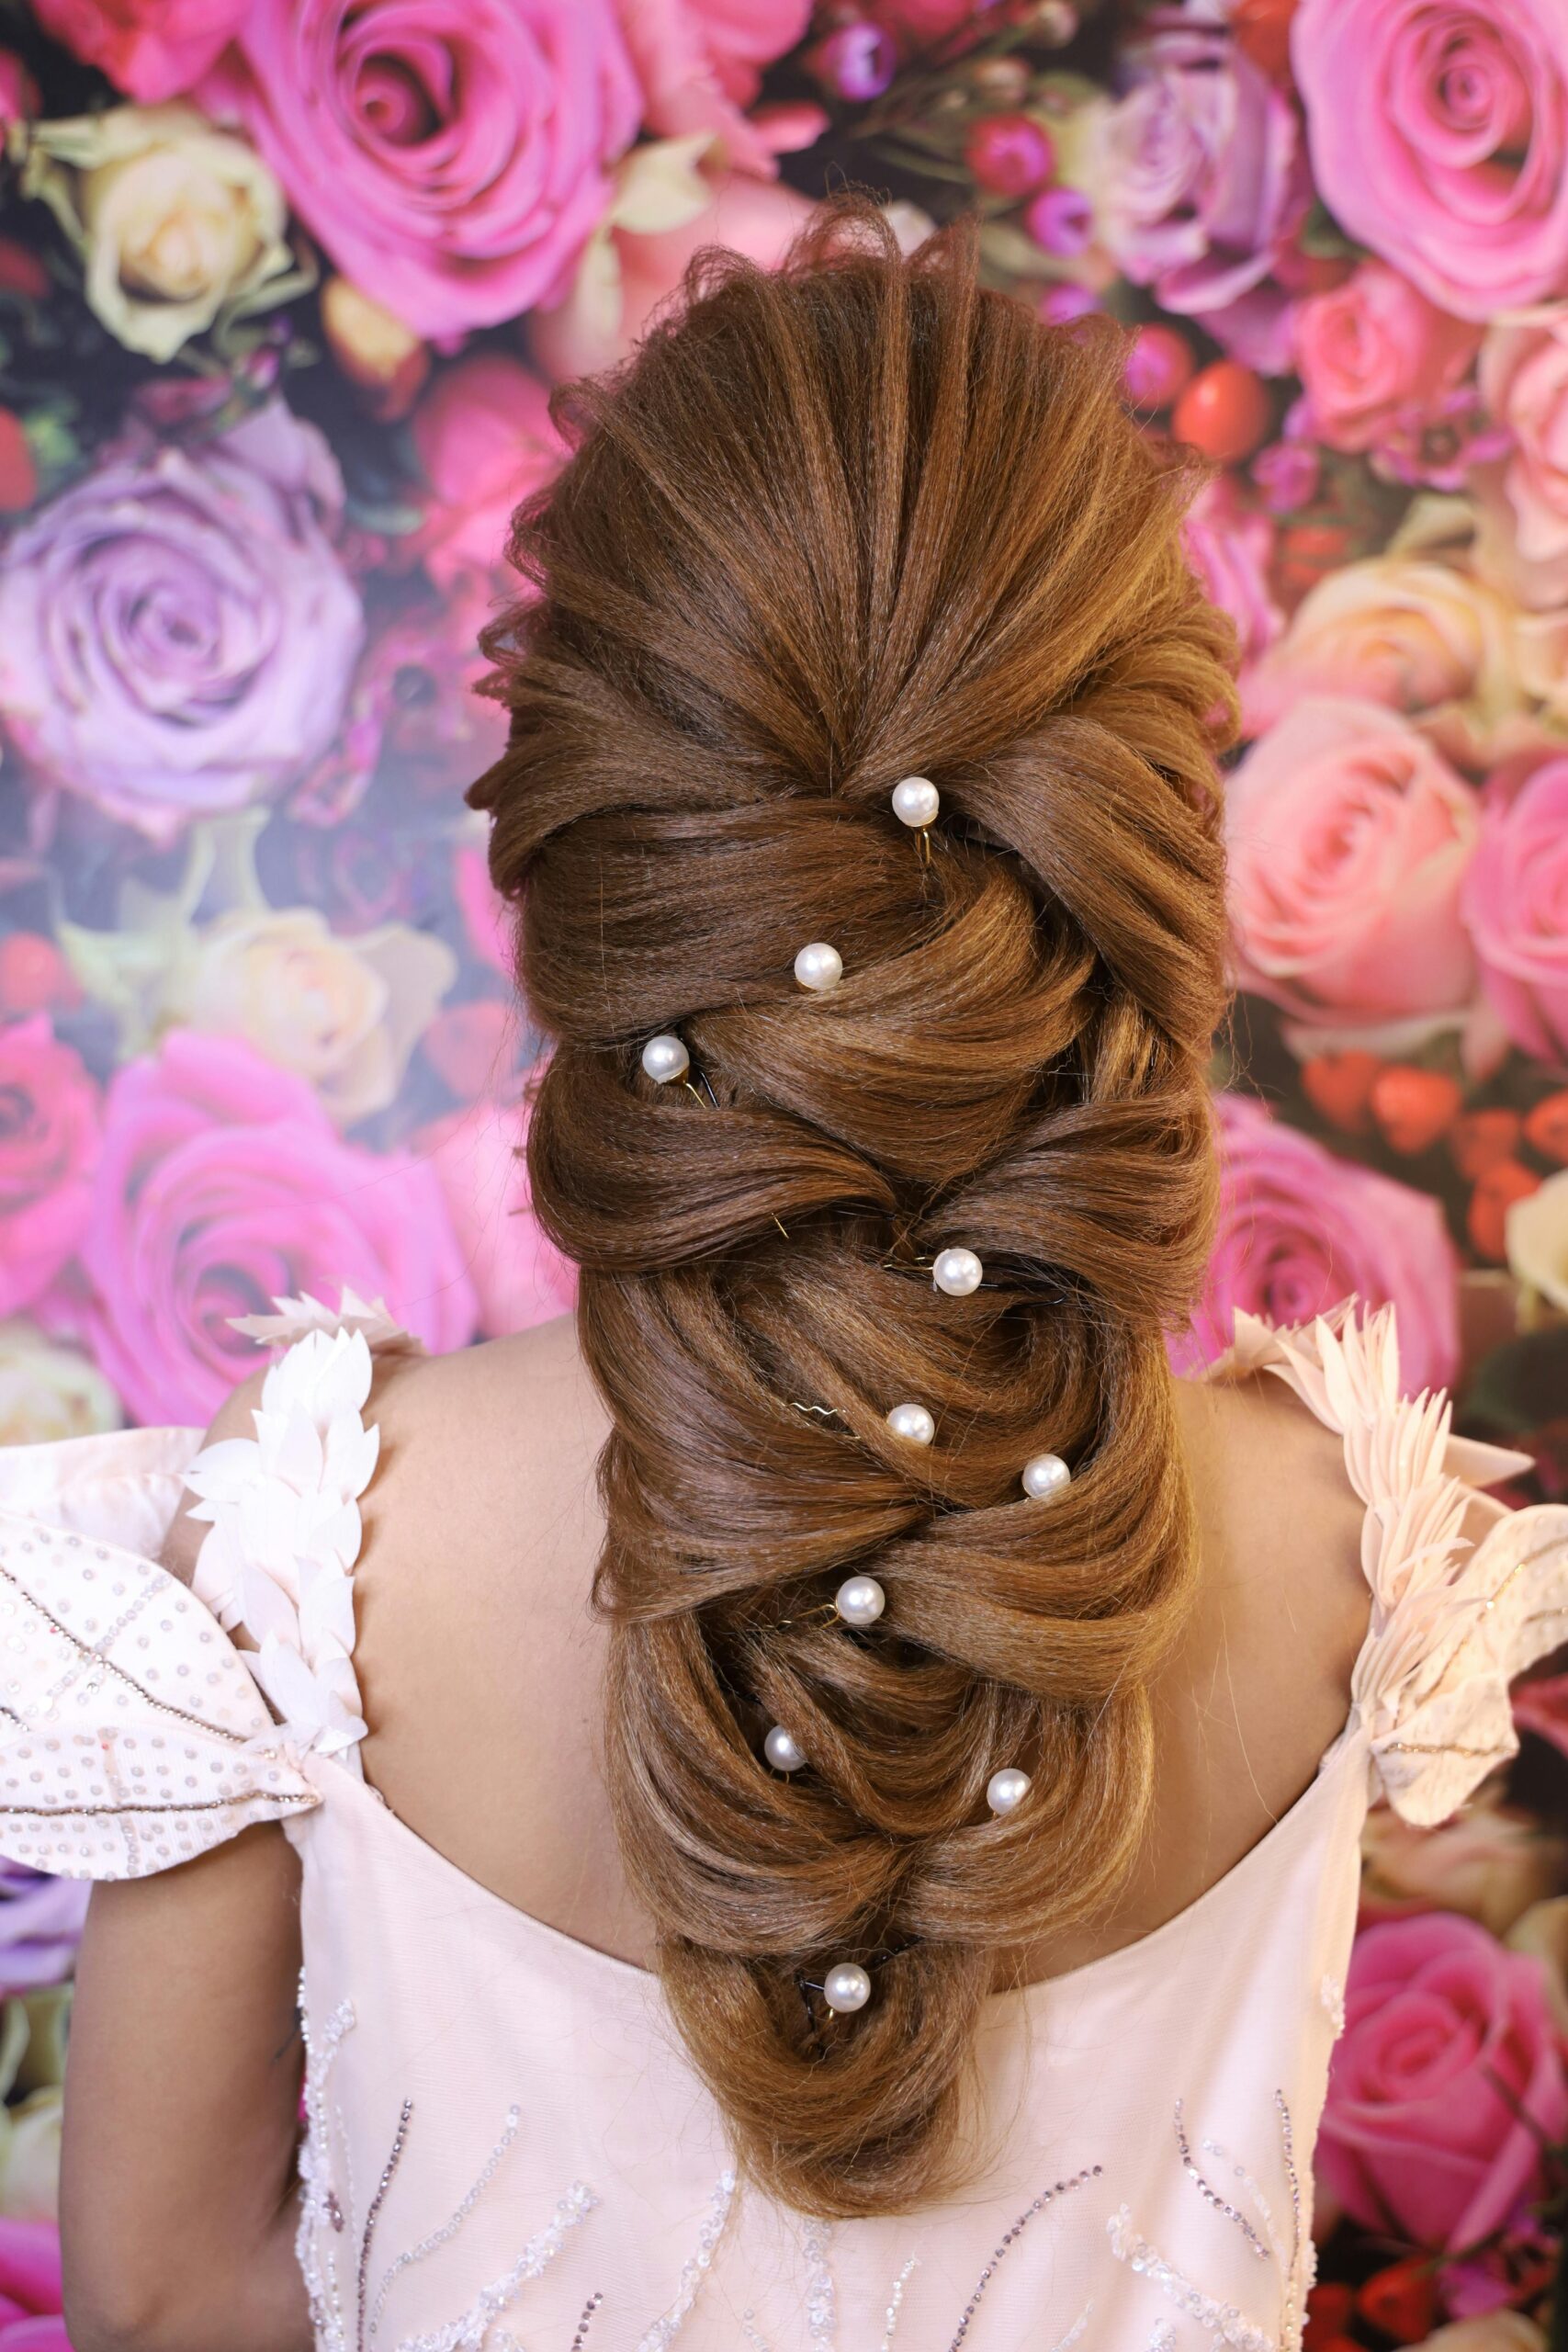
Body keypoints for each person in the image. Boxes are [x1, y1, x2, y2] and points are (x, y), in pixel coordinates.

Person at [5, 207, 1562, 2352]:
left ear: (581, 873)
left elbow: (170, 2300)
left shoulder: (312, 1554)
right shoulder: (1332, 1544)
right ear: (1133, 870)